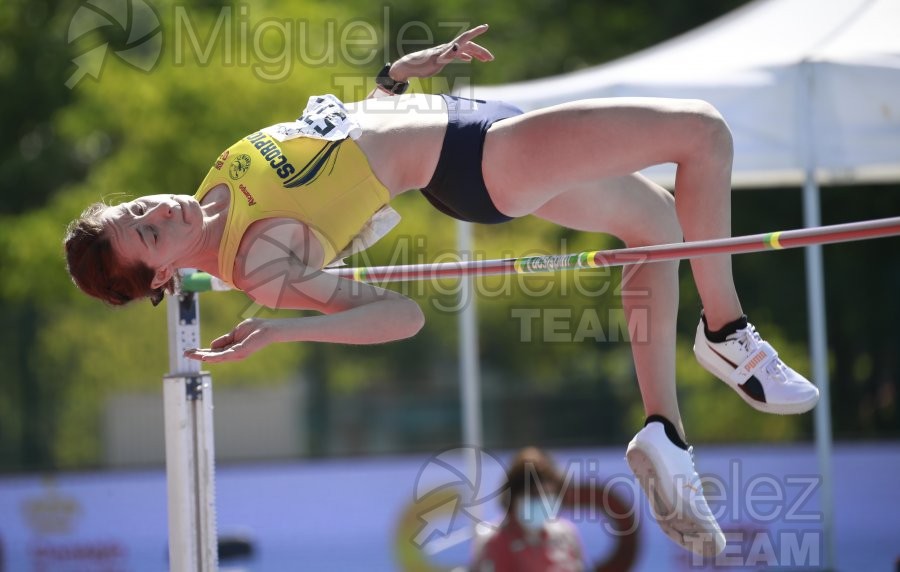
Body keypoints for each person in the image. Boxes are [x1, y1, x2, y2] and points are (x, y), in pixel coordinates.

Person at [64, 24, 820, 556]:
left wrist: (391, 82)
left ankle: (664, 431)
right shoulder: (258, 263)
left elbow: (339, 146)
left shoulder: (211, 186)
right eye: (151, 234)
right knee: (704, 134)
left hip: (464, 120)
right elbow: (399, 316)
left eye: (139, 210)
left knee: (655, 222)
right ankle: (728, 335)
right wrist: (283, 328)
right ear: (163, 275)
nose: (158, 213)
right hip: (479, 161)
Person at [471, 447, 584, 572]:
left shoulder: (566, 535)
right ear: (513, 497)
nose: (544, 502)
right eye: (535, 495)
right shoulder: (493, 541)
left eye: (550, 495)